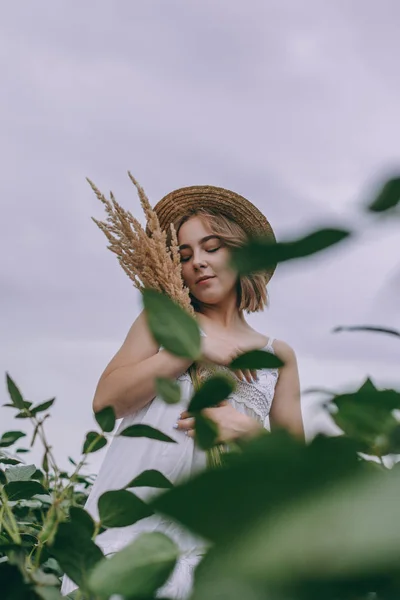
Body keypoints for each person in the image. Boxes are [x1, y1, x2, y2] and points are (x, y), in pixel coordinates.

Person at [61, 184, 304, 598]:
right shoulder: (162, 323)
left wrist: (246, 431)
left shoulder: (276, 354)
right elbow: (106, 403)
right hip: (139, 516)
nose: (199, 264)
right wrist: (187, 348)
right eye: (185, 255)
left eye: (212, 248)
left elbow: (297, 465)